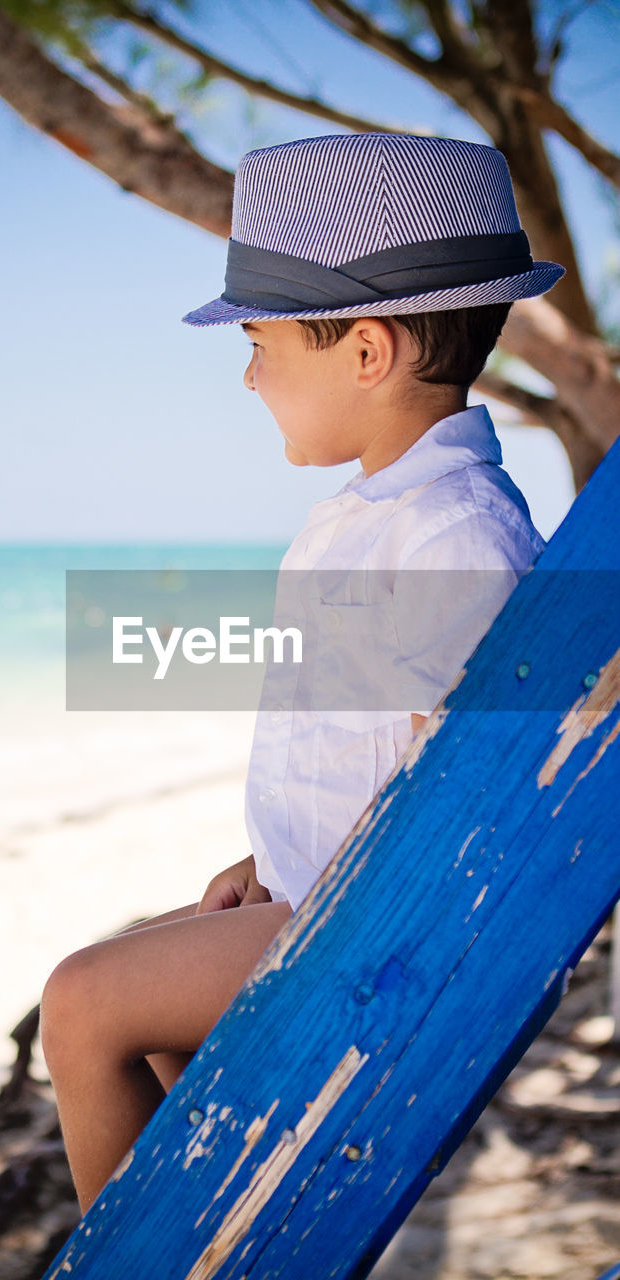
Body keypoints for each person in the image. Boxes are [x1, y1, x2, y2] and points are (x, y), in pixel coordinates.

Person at [40, 132, 564, 1212]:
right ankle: (202, 1235)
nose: (248, 372)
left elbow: (465, 799)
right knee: (155, 993)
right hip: (332, 898)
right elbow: (375, 749)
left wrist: (312, 884)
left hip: (388, 938)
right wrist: (270, 856)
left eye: (263, 341)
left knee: (84, 1001)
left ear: (365, 353)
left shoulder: (450, 539)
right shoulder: (384, 516)